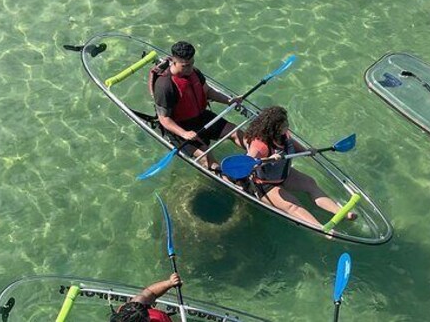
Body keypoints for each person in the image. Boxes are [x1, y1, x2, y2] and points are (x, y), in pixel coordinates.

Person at [243, 106, 357, 229]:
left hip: (283, 175)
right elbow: (247, 163)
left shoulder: (283, 134)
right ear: (274, 127)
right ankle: (320, 228)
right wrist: (268, 159)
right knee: (293, 205)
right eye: (284, 123)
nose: (287, 124)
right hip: (263, 184)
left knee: (310, 183)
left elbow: (291, 143)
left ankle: (341, 212)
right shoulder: (260, 145)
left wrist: (307, 151)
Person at [153, 41, 243, 171]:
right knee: (207, 158)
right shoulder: (164, 86)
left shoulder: (194, 72)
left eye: (192, 64)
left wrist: (229, 100)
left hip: (201, 117)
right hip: (181, 127)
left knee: (236, 132)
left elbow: (208, 91)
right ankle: (237, 183)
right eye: (185, 66)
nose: (190, 69)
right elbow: (164, 119)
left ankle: (261, 159)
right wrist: (184, 134)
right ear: (173, 61)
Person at [109, 273, 181, 322]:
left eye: (147, 318)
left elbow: (151, 292)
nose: (149, 319)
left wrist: (170, 283)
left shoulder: (131, 307)